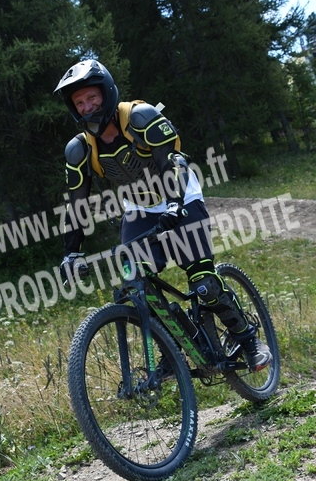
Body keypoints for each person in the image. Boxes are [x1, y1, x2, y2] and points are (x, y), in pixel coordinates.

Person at [53, 59, 272, 373]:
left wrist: (174, 204)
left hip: (181, 198)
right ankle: (172, 350)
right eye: (79, 103)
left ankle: (249, 340)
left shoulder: (141, 118)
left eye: (92, 98)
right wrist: (71, 253)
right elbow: (77, 205)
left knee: (203, 282)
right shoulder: (80, 150)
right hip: (139, 209)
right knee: (135, 286)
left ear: (107, 93)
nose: (87, 107)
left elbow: (173, 163)